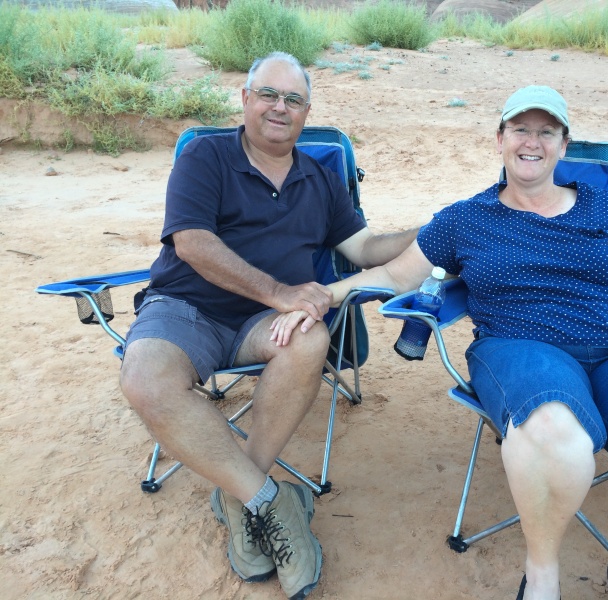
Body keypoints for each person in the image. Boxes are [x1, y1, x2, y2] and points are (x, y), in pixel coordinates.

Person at [272, 86, 608, 600]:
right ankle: (542, 578)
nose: (531, 142)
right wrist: (317, 297)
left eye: (546, 132)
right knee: (555, 429)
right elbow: (392, 274)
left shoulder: (602, 207)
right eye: (520, 129)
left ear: (563, 144)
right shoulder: (467, 218)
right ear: (500, 139)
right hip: (518, 347)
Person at [118, 52, 417, 600]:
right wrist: (279, 293)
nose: (281, 108)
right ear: (246, 99)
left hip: (266, 323)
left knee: (311, 336)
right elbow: (192, 243)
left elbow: (365, 248)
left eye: (294, 99)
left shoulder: (322, 180)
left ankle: (238, 496)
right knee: (145, 379)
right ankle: (272, 501)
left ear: (307, 110)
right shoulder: (206, 157)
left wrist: (431, 231)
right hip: (186, 308)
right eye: (269, 95)